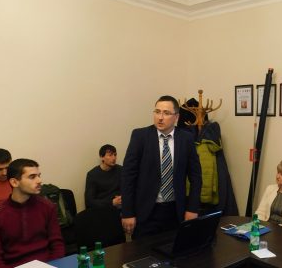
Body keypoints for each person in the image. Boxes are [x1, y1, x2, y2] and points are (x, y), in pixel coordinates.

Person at [121, 95, 202, 238]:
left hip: (176, 211)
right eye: (157, 112)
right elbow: (128, 177)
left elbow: (196, 176)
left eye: (166, 113)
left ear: (176, 117)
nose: (160, 117)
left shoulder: (186, 138)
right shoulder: (140, 136)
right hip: (146, 212)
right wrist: (127, 212)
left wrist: (192, 208)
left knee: (175, 250)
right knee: (143, 251)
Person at [0, 158, 65, 268]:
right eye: (32, 177)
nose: (39, 181)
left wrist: (52, 265)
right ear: (14, 182)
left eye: (39, 175)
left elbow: (57, 245)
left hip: (46, 264)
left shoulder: (47, 207)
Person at [85, 144, 122, 209]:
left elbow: (127, 188)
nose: (114, 158)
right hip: (101, 209)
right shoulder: (92, 175)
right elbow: (89, 201)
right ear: (102, 157)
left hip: (119, 207)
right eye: (110, 155)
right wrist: (111, 202)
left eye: (115, 155)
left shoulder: (121, 170)